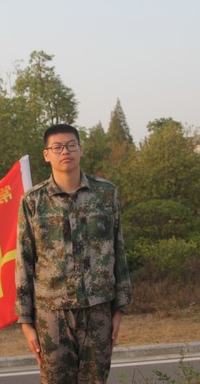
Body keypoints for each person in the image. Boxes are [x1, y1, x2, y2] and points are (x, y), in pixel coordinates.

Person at [15, 123, 132, 383]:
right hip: (52, 313)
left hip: (98, 308)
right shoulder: (33, 201)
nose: (64, 152)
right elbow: (24, 260)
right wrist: (26, 321)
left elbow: (118, 249)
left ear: (80, 149)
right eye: (57, 147)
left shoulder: (106, 194)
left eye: (71, 145)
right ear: (47, 155)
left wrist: (119, 309)